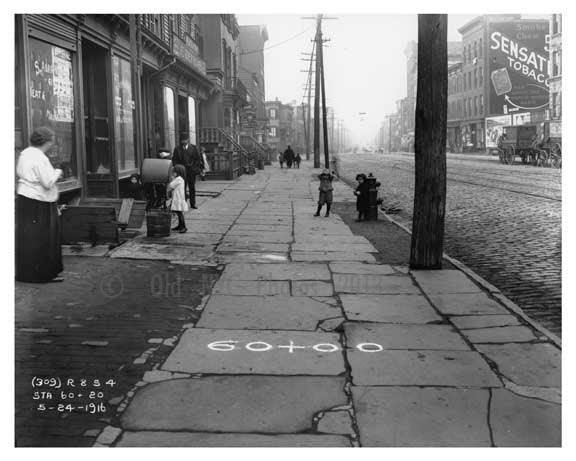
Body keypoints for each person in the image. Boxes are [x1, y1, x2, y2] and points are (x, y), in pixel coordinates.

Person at [16, 127, 64, 283]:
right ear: (48, 142)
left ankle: (25, 273)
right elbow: (47, 182)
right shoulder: (40, 158)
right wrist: (58, 172)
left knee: (27, 237)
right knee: (43, 238)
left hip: (24, 197)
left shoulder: (25, 154)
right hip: (39, 201)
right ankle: (42, 274)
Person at [172, 134, 203, 209]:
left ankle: (193, 204)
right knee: (182, 188)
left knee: (192, 187)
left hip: (191, 171)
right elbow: (174, 160)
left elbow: (198, 159)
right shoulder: (177, 149)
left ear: (188, 140)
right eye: (182, 140)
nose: (184, 142)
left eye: (185, 140)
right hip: (181, 171)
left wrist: (195, 169)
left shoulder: (193, 148)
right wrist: (177, 168)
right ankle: (183, 203)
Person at [167, 164, 188, 233]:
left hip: (178, 199)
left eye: (174, 172)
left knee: (179, 213)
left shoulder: (178, 179)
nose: (173, 173)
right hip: (179, 198)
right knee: (178, 212)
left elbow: (171, 186)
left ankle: (184, 227)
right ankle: (180, 226)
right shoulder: (181, 179)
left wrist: (172, 178)